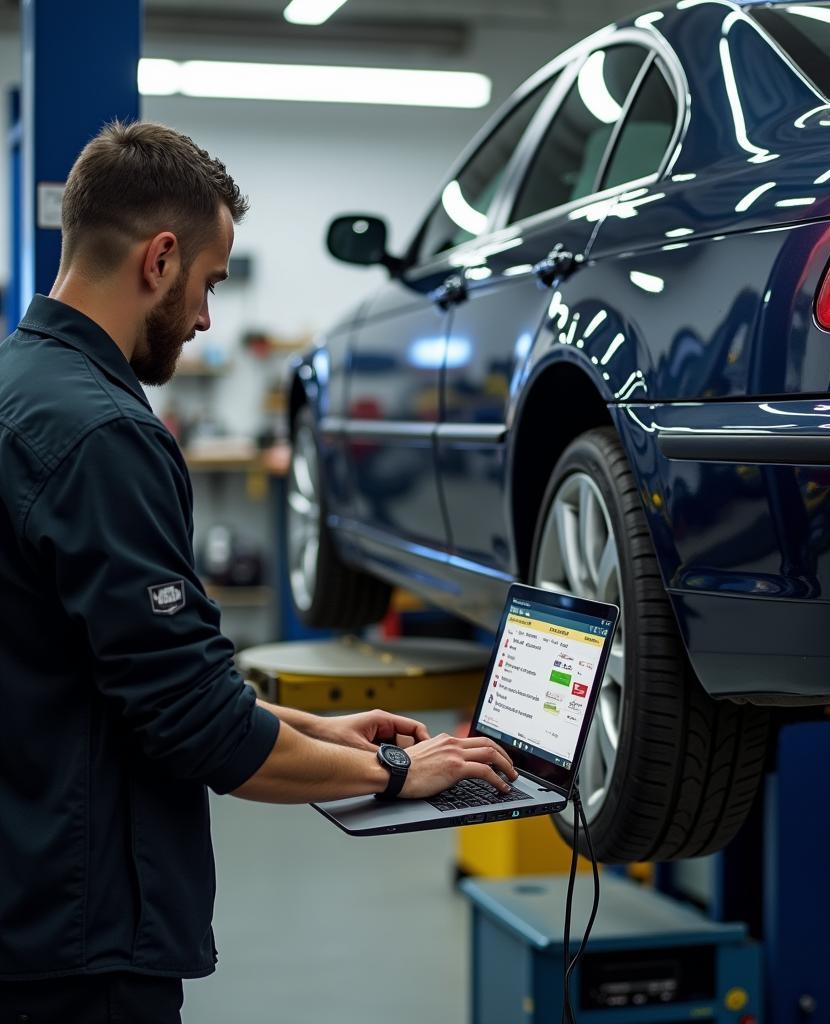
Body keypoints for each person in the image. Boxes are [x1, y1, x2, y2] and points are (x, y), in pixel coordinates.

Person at [0, 121, 516, 1024]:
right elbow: (199, 729)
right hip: (75, 953)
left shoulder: (16, 387)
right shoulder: (106, 436)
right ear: (160, 259)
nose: (204, 317)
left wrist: (324, 729)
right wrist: (399, 769)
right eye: (209, 282)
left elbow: (122, 674)